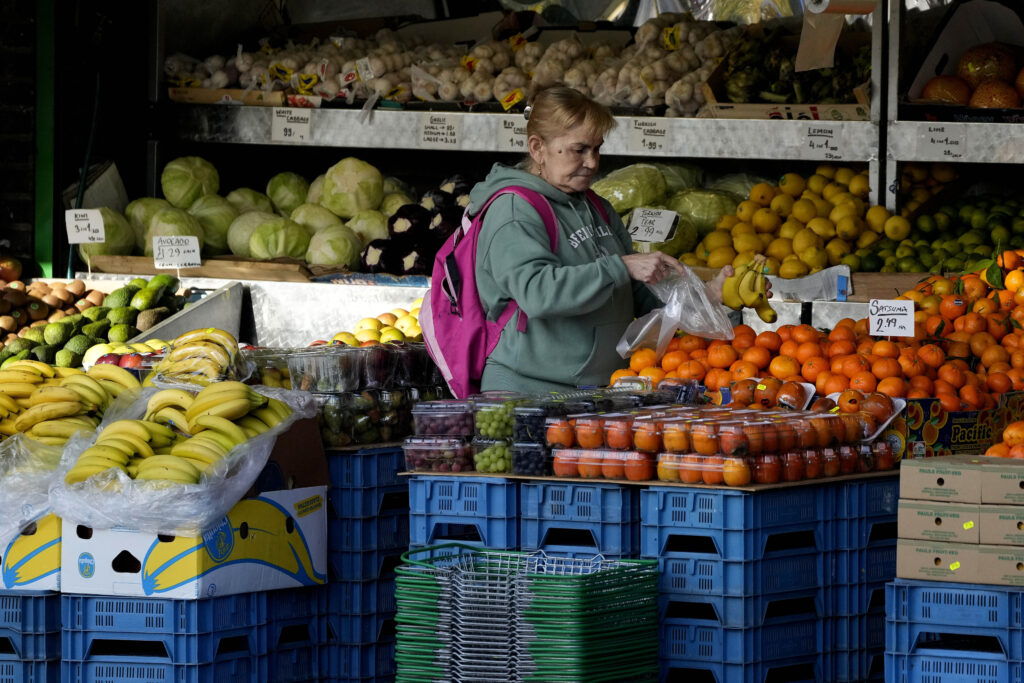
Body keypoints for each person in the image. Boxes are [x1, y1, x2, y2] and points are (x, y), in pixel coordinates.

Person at [468, 86, 735, 394]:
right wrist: (620, 266)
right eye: (579, 150)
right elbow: (537, 293)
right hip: (528, 392)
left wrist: (703, 297)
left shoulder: (596, 207)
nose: (593, 162)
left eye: (597, 149)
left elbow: (638, 294)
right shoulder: (515, 210)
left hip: (600, 390)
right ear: (537, 148)